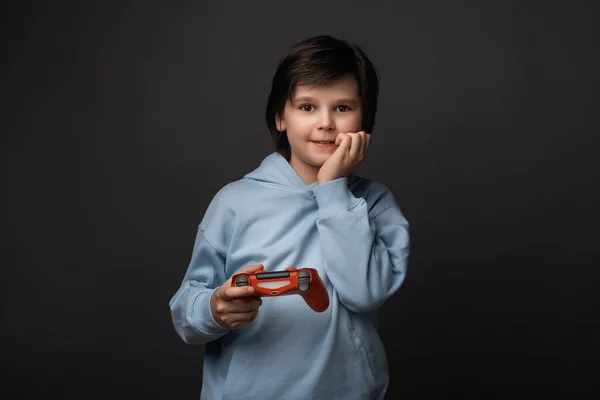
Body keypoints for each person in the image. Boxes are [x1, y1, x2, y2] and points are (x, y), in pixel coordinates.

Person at [169, 35, 410, 400]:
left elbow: (364, 293)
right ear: (281, 116)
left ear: (365, 119)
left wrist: (332, 189)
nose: (326, 123)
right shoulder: (235, 202)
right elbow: (185, 312)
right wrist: (213, 308)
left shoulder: (375, 204)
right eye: (307, 107)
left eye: (343, 108)